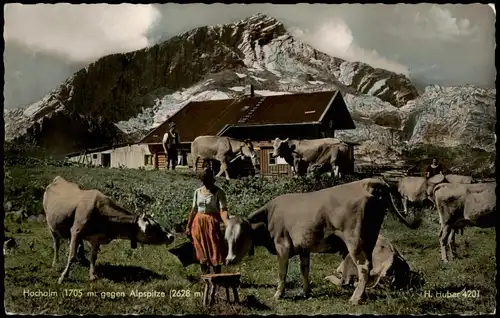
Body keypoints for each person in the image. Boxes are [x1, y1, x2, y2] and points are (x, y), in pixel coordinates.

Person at [185, 169, 229, 274]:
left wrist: (227, 223)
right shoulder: (197, 192)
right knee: (200, 247)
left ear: (212, 180)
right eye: (204, 181)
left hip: (211, 222)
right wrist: (188, 225)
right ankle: (205, 276)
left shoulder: (219, 192)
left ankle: (217, 276)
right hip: (198, 223)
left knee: (214, 246)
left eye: (208, 180)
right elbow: (194, 209)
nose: (206, 183)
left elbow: (223, 210)